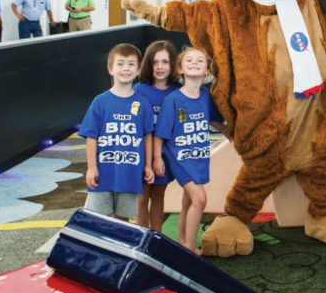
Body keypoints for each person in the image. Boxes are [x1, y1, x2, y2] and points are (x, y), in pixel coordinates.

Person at [155, 46, 228, 254]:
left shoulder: (205, 96)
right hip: (180, 158)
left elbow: (214, 119)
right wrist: (157, 158)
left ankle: (182, 241)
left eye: (199, 60)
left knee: (188, 202)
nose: (194, 62)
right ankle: (189, 247)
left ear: (207, 70)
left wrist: (229, 134)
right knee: (200, 199)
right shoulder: (173, 100)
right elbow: (161, 133)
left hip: (200, 157)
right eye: (189, 60)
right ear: (180, 69)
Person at [79, 43, 155, 221]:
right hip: (102, 175)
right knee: (98, 220)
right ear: (110, 69)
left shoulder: (143, 104)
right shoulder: (100, 102)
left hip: (129, 175)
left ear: (138, 70)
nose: (126, 68)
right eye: (120, 64)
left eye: (131, 64)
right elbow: (91, 137)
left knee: (122, 221)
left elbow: (147, 136)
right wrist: (91, 167)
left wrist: (148, 165)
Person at [133, 40, 181, 231]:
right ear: (148, 64)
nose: (160, 67)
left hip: (165, 154)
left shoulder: (178, 91)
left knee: (159, 195)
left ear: (173, 64)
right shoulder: (139, 90)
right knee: (142, 196)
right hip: (142, 151)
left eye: (165, 62)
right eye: (155, 62)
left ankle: (156, 234)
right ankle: (141, 235)